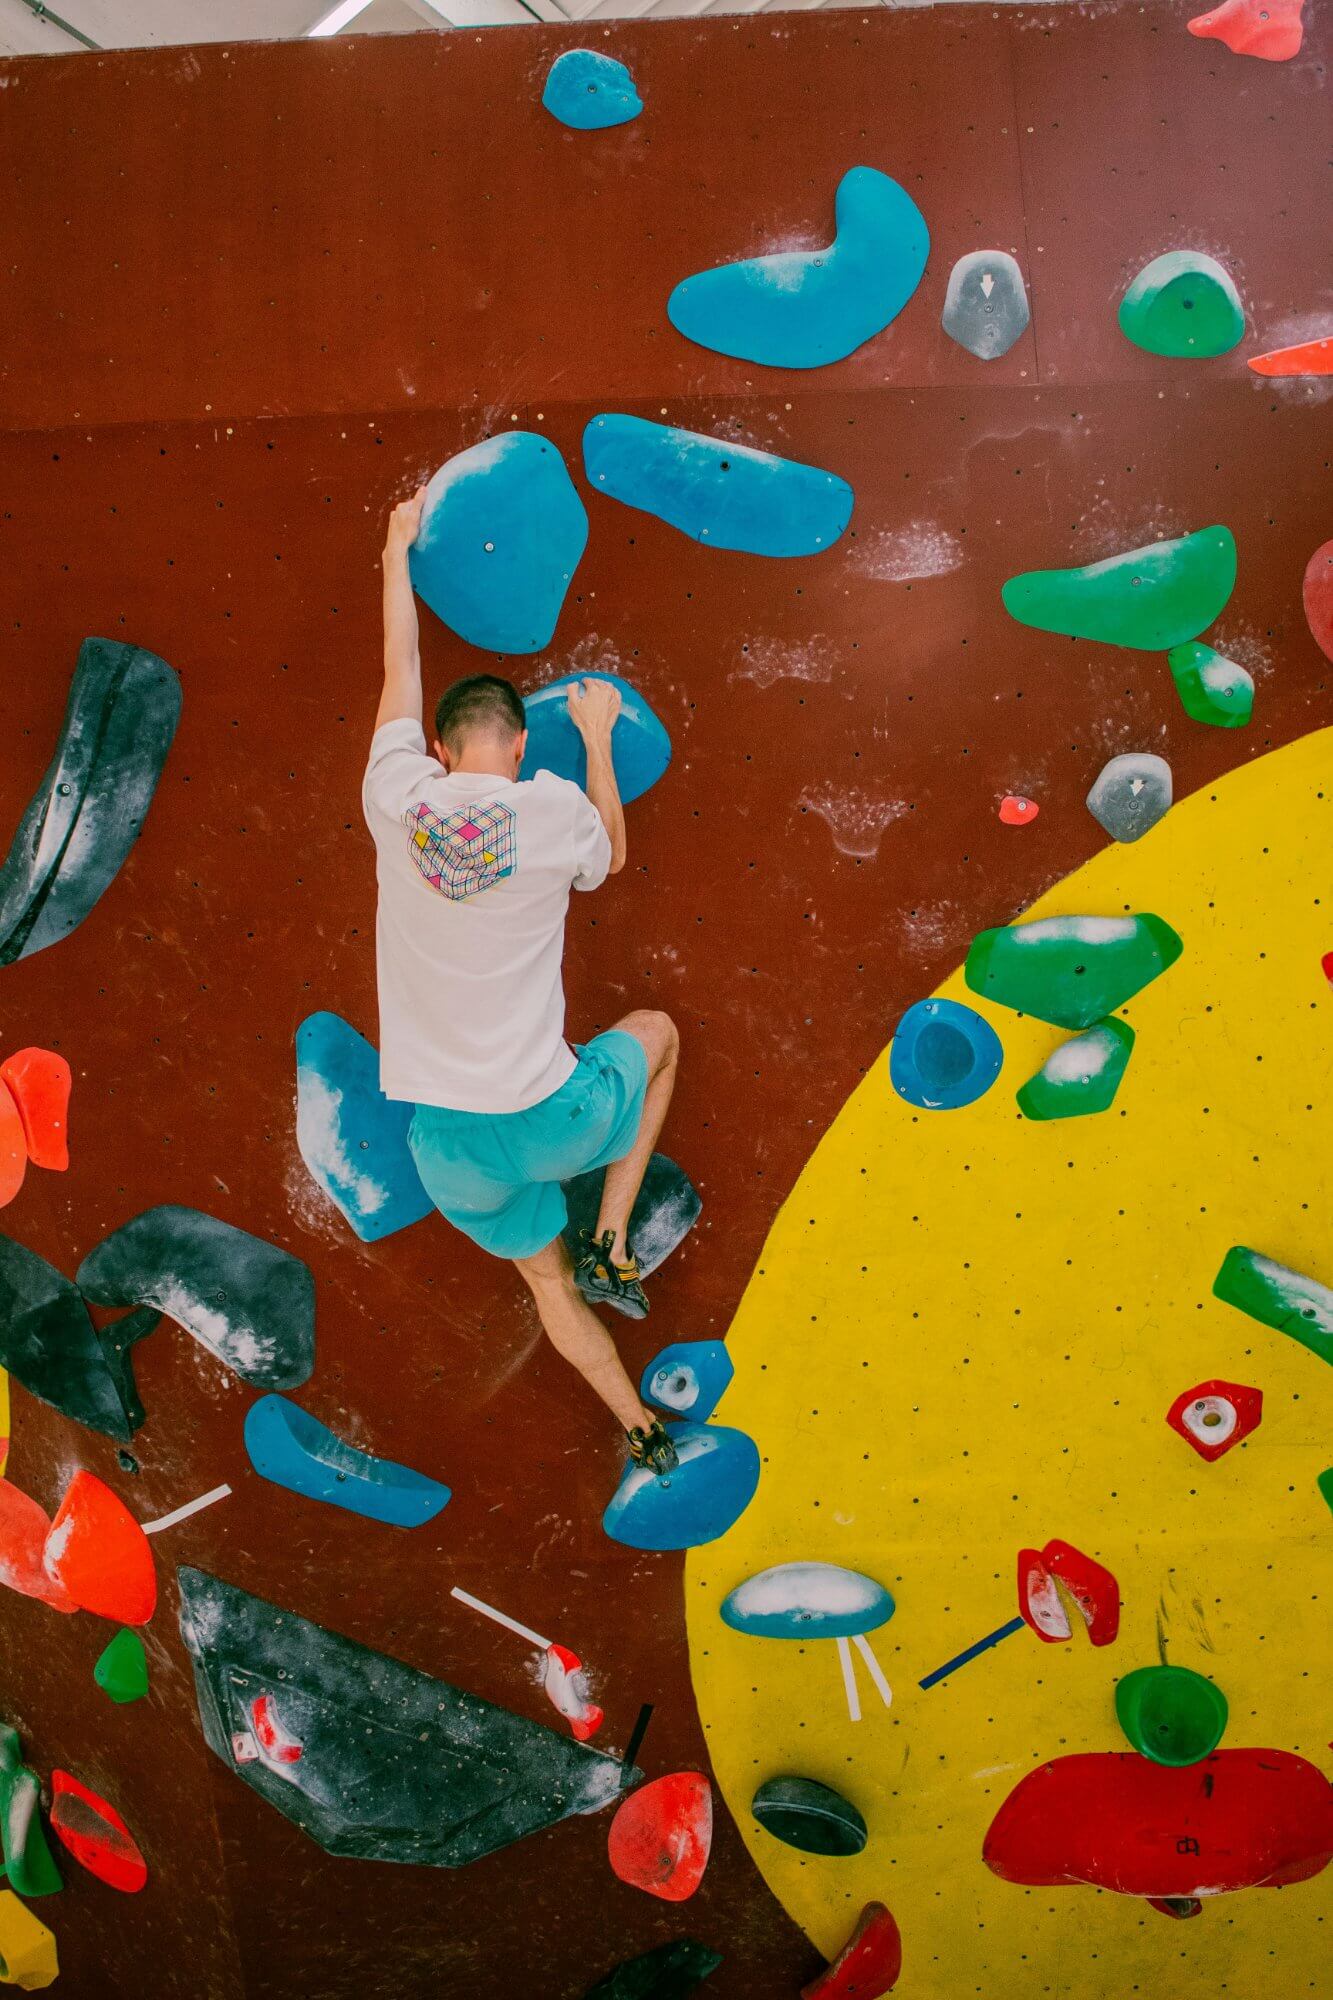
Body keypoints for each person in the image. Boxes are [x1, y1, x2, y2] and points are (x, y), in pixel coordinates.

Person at [362, 488, 680, 1474]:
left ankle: (639, 1427)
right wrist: (598, 736)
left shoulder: (394, 797)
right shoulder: (551, 809)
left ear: (441, 749)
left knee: (546, 1284)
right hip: (552, 1115)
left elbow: (400, 669)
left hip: (452, 1150)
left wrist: (396, 550)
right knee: (659, 1034)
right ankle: (613, 1238)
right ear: (517, 744)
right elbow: (610, 857)